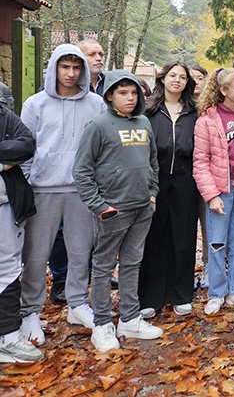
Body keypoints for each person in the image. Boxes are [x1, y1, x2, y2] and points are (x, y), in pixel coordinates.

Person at [18, 45, 105, 345]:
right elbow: (25, 147)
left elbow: (102, 147)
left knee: (81, 251)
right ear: (53, 67)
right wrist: (26, 185)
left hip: (82, 189)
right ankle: (30, 311)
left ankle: (78, 303)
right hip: (42, 189)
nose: (70, 73)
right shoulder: (35, 104)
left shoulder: (96, 104)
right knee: (36, 254)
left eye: (76, 67)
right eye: (64, 67)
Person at [73, 70, 162, 353]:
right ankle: (101, 324)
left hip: (141, 207)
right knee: (102, 267)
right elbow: (82, 171)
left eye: (134, 93)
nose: (129, 98)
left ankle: (130, 318)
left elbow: (153, 161)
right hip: (113, 210)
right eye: (123, 93)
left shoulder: (144, 122)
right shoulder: (98, 125)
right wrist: (100, 206)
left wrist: (152, 194)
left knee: (132, 263)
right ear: (110, 95)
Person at [193, 68, 234, 315]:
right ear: (223, 91)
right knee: (217, 243)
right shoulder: (207, 120)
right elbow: (200, 161)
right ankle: (217, 293)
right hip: (219, 191)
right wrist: (211, 195)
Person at [138, 62, 199, 318]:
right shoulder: (148, 110)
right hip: (155, 179)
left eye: (182, 77)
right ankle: (150, 297)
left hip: (186, 180)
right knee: (154, 236)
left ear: (187, 83)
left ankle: (180, 293)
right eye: (173, 75)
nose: (177, 80)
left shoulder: (194, 112)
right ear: (162, 78)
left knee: (183, 237)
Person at [0, 84, 41, 363]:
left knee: (8, 268)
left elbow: (26, 143)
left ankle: (9, 337)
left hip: (6, 205)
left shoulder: (4, 115)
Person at [188, 63, 209, 287]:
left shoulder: (211, 108)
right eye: (190, 78)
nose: (195, 82)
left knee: (209, 226)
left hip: (207, 175)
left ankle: (209, 268)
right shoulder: (179, 107)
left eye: (199, 78)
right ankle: (186, 270)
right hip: (183, 174)